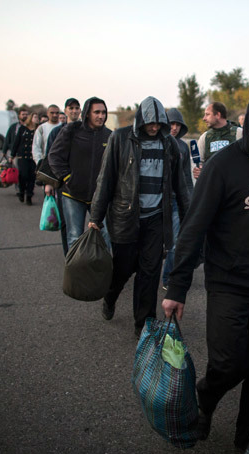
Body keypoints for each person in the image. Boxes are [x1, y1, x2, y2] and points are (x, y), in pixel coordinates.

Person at [161, 85, 249, 450]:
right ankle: (205, 398)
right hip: (229, 285)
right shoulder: (223, 166)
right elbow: (194, 227)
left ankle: (248, 438)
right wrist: (177, 287)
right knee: (229, 364)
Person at [89, 96, 190, 337]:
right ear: (140, 120)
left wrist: (190, 218)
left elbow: (182, 185)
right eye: (150, 123)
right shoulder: (121, 138)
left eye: (159, 123)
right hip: (126, 217)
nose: (154, 127)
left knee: (150, 272)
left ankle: (144, 325)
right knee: (123, 269)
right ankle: (110, 297)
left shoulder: (170, 144)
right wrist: (96, 216)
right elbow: (106, 179)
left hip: (156, 219)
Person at [47, 97, 111, 249]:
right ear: (87, 113)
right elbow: (54, 156)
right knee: (74, 237)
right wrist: (68, 178)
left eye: (103, 112)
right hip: (72, 194)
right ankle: (75, 272)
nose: (101, 116)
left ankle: (103, 271)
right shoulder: (72, 130)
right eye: (97, 112)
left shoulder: (110, 135)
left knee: (106, 235)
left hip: (100, 197)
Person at [161, 107, 194, 289]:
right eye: (171, 123)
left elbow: (187, 178)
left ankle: (168, 278)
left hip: (175, 201)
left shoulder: (183, 146)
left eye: (177, 124)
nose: (174, 128)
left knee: (175, 242)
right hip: (156, 202)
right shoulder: (158, 142)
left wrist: (190, 201)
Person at [45, 98, 82, 255]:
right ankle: (69, 256)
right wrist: (48, 183)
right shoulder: (56, 132)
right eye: (70, 108)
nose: (74, 111)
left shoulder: (85, 130)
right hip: (64, 184)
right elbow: (50, 158)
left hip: (83, 182)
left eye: (76, 108)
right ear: (65, 111)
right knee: (67, 222)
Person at [192, 102, 243, 179]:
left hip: (235, 185)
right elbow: (199, 164)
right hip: (212, 186)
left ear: (218, 115)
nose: (204, 118)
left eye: (207, 114)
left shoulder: (239, 133)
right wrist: (197, 172)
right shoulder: (204, 137)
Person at [10, 112, 39, 205]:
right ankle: (22, 191)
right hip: (23, 156)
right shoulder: (22, 129)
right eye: (35, 117)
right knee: (23, 175)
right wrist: (12, 155)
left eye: (37, 117)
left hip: (33, 157)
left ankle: (29, 196)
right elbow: (16, 142)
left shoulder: (38, 130)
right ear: (31, 118)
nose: (36, 118)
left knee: (32, 177)